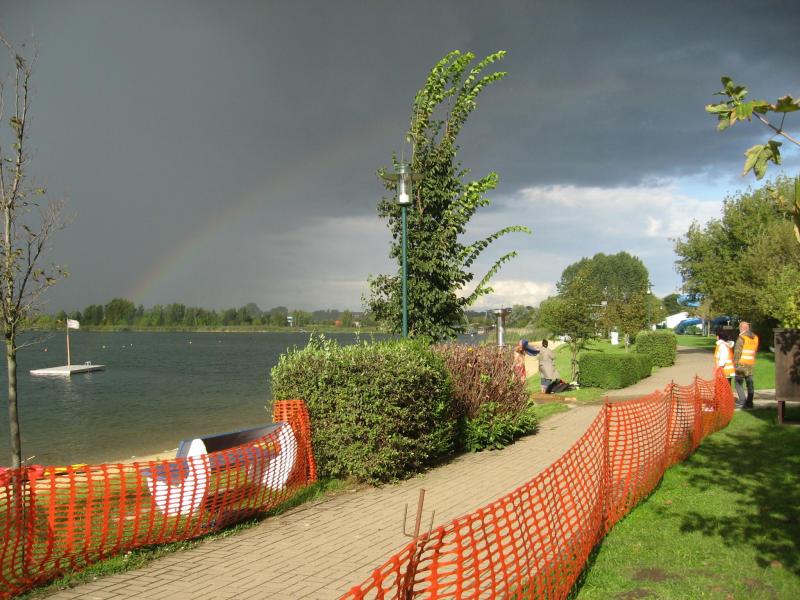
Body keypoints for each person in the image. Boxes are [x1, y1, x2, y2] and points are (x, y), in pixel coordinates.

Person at [733, 321, 759, 409]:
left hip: (741, 364)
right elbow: (755, 351)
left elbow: (737, 352)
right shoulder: (755, 338)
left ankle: (743, 402)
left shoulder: (741, 338)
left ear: (741, 328)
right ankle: (750, 403)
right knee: (750, 384)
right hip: (750, 363)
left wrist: (735, 364)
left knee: (738, 383)